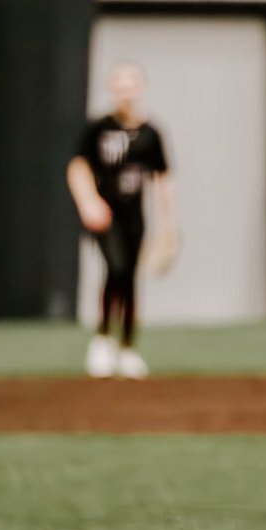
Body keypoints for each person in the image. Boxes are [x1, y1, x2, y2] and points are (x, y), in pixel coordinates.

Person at [67, 62, 177, 378]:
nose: (126, 88)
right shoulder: (99, 128)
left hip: (134, 214)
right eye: (120, 82)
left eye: (131, 81)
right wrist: (89, 202)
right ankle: (102, 339)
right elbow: (77, 167)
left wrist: (167, 225)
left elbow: (162, 177)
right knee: (115, 267)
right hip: (105, 213)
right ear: (112, 88)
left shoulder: (151, 133)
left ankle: (128, 348)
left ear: (140, 87)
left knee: (129, 277)